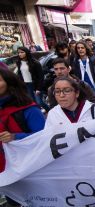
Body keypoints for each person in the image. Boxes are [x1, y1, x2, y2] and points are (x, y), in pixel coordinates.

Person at [0, 65, 45, 206]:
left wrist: (15, 137)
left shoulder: (29, 109)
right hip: (5, 172)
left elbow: (44, 138)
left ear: (9, 82)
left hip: (29, 169)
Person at [15, 47, 49, 111]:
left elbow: (41, 76)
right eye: (19, 52)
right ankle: (39, 115)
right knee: (33, 103)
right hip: (26, 85)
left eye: (22, 52)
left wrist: (38, 88)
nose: (20, 54)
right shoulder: (19, 62)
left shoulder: (35, 63)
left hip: (35, 85)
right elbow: (20, 74)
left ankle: (49, 110)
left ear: (26, 52)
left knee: (39, 102)